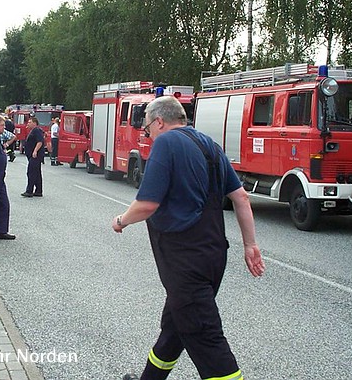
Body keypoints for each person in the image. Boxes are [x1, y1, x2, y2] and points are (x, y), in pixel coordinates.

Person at [112, 96, 265, 380]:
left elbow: (147, 205)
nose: (148, 134)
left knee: (205, 336)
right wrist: (250, 245)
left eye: (147, 128)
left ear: (159, 121)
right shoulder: (209, 146)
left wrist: (121, 220)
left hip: (184, 261)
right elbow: (241, 198)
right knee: (174, 328)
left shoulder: (166, 143)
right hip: (213, 254)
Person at [21, 117, 45, 197]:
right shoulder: (33, 131)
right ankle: (38, 190)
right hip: (33, 155)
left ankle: (29, 191)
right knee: (37, 173)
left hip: (35, 156)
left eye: (30, 122)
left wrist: (35, 151)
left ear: (35, 123)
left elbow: (40, 142)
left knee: (31, 173)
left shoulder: (37, 130)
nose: (28, 124)